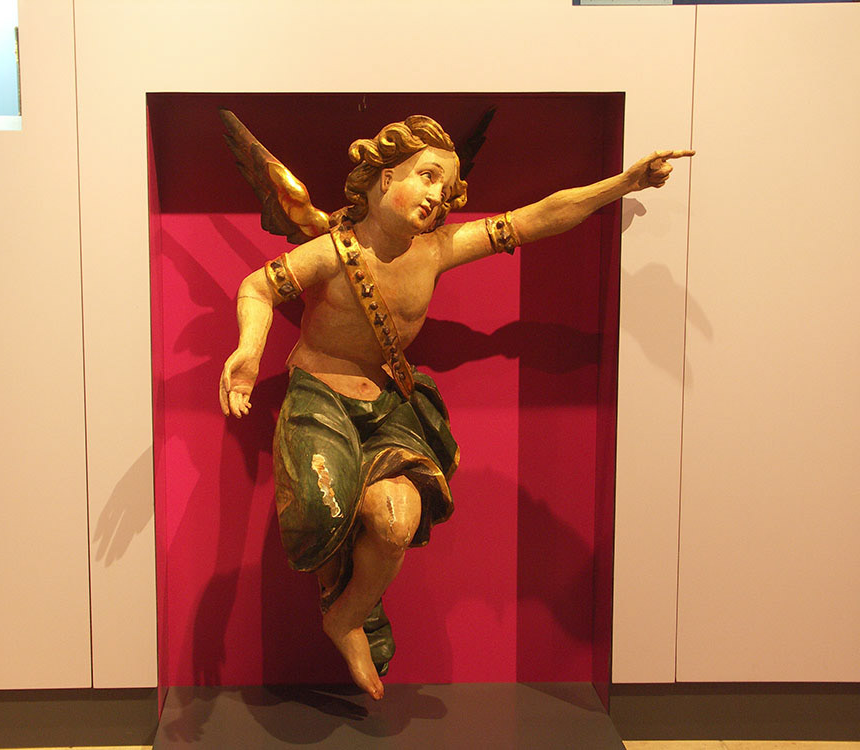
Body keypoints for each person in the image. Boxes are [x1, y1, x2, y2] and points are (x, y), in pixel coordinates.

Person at [219, 114, 692, 700]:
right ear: (382, 178)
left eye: (446, 187)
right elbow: (259, 286)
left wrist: (624, 183)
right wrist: (249, 350)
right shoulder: (334, 252)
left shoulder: (438, 249)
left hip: (387, 405)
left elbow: (534, 218)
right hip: (319, 399)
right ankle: (342, 590)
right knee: (322, 508)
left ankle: (346, 617)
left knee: (396, 521)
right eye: (426, 176)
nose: (436, 195)